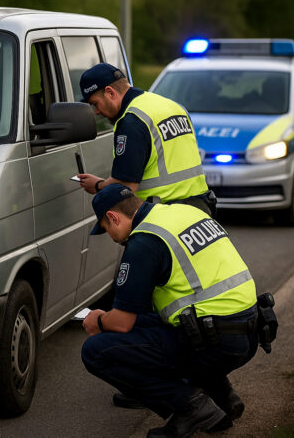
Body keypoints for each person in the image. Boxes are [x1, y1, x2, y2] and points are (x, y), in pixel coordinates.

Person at [81, 184, 258, 438]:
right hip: (249, 332)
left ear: (113, 217)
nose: (110, 236)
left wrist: (98, 319)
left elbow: (120, 323)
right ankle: (222, 397)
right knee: (150, 321)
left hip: (215, 341)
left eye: (106, 228)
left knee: (96, 350)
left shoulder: (143, 242)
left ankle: (191, 407)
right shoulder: (185, 213)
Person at [76, 63, 215, 217]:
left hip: (163, 216)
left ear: (110, 93)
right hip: (199, 210)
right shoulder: (173, 106)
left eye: (95, 103)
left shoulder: (132, 121)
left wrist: (97, 185)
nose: (96, 112)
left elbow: (125, 186)